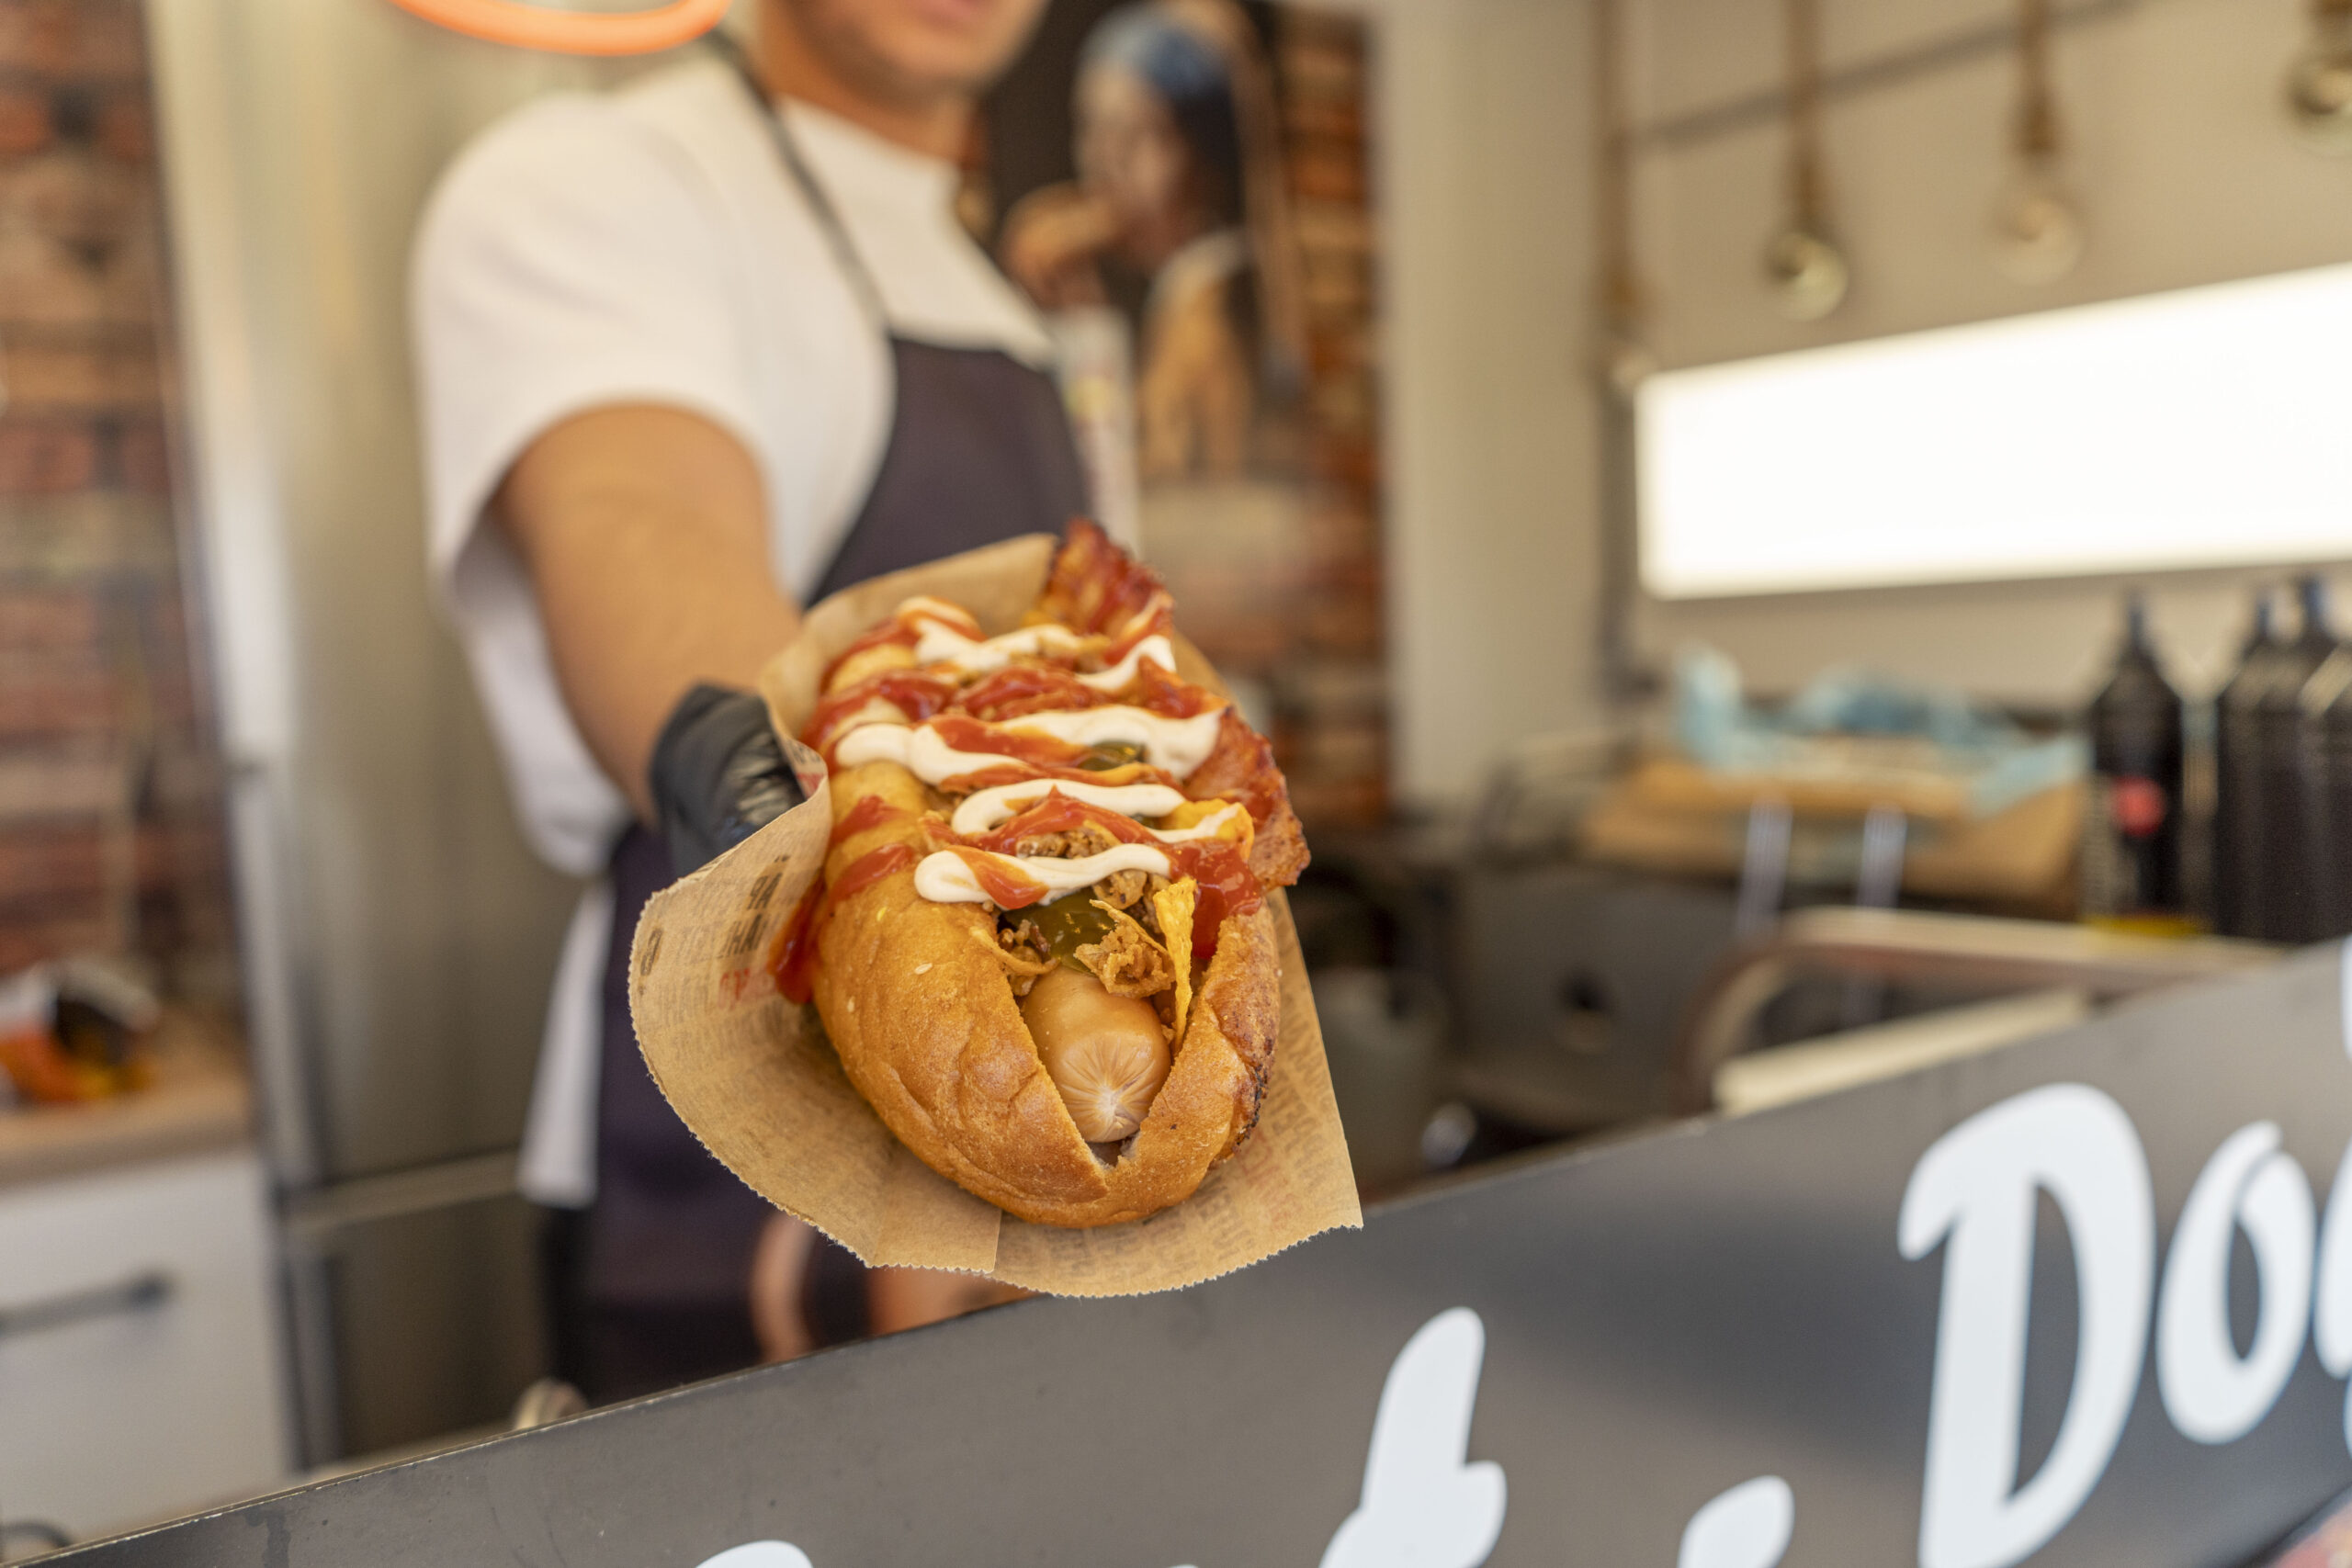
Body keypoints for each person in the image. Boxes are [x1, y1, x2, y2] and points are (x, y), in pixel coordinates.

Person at [411, 0, 1076, 1403]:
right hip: (731, 1151)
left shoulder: (1001, 303)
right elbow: (642, 528)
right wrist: (909, 994)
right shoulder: (601, 186)